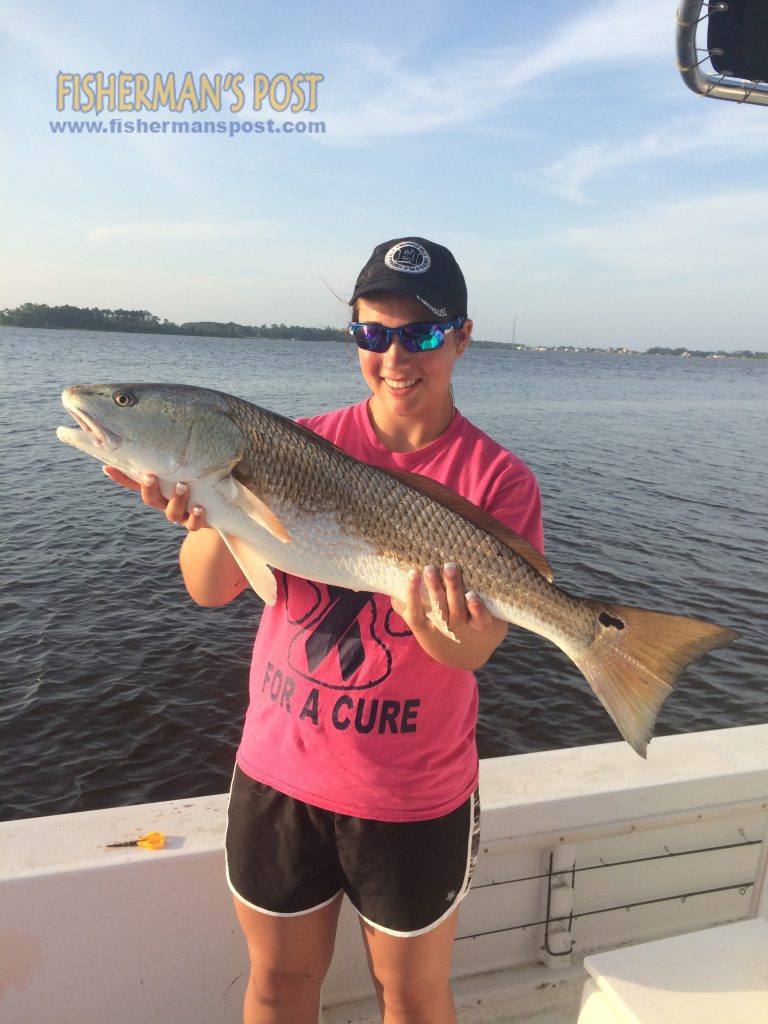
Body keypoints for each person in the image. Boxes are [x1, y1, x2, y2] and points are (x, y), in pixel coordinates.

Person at [105, 236, 544, 1024]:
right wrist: (204, 507)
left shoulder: (498, 480)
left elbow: (470, 652)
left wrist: (431, 612)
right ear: (354, 335)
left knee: (410, 996)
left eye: (424, 334)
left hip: (413, 793)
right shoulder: (297, 441)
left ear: (464, 337)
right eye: (374, 333)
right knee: (276, 984)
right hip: (280, 772)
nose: (396, 355)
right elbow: (210, 590)